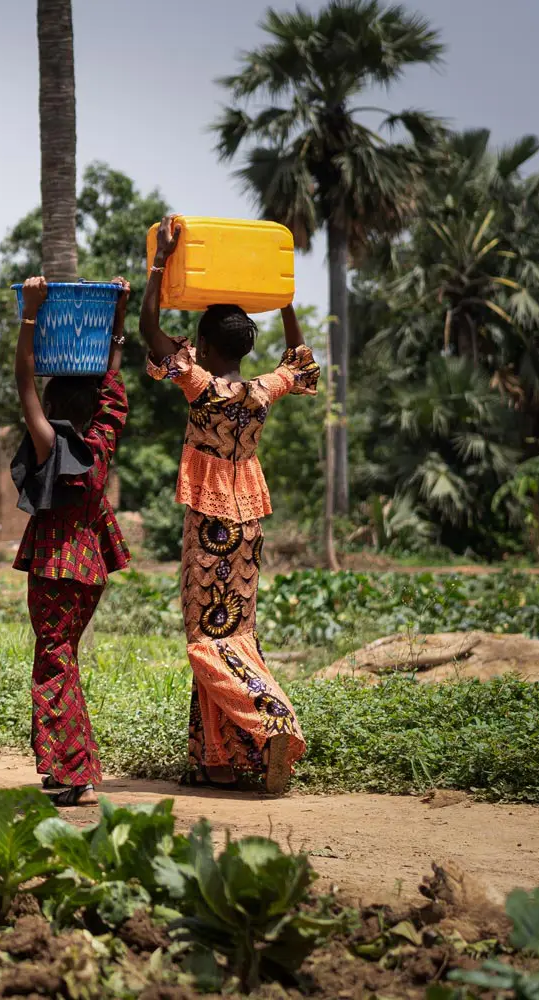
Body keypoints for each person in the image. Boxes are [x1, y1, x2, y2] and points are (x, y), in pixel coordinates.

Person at [139, 214, 320, 795]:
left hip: (209, 523)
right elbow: (301, 358)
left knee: (203, 640)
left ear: (207, 346)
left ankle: (273, 720)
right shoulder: (262, 391)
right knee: (234, 631)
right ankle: (216, 760)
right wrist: (283, 294)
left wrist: (161, 261)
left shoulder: (202, 387)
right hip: (248, 528)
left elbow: (149, 332)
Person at [10, 275, 132, 807]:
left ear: (56, 408)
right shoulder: (100, 441)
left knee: (54, 661)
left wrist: (31, 317)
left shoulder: (52, 444)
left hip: (57, 565)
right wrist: (118, 322)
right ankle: (73, 766)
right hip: (91, 564)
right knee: (65, 657)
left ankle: (71, 770)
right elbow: (113, 386)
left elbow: (22, 386)